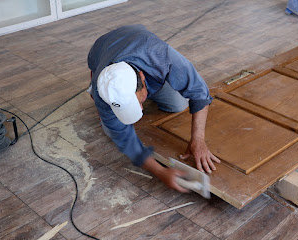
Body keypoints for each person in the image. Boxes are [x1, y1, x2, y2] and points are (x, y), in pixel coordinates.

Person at [87, 24, 220, 192]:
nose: (141, 111)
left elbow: (199, 92)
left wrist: (198, 140)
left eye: (139, 101)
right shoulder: (104, 92)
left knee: (178, 105)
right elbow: (125, 139)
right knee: (110, 130)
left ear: (142, 78)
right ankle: (91, 86)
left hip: (138, 44)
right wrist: (161, 171)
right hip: (102, 51)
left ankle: (149, 91)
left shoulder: (160, 56)